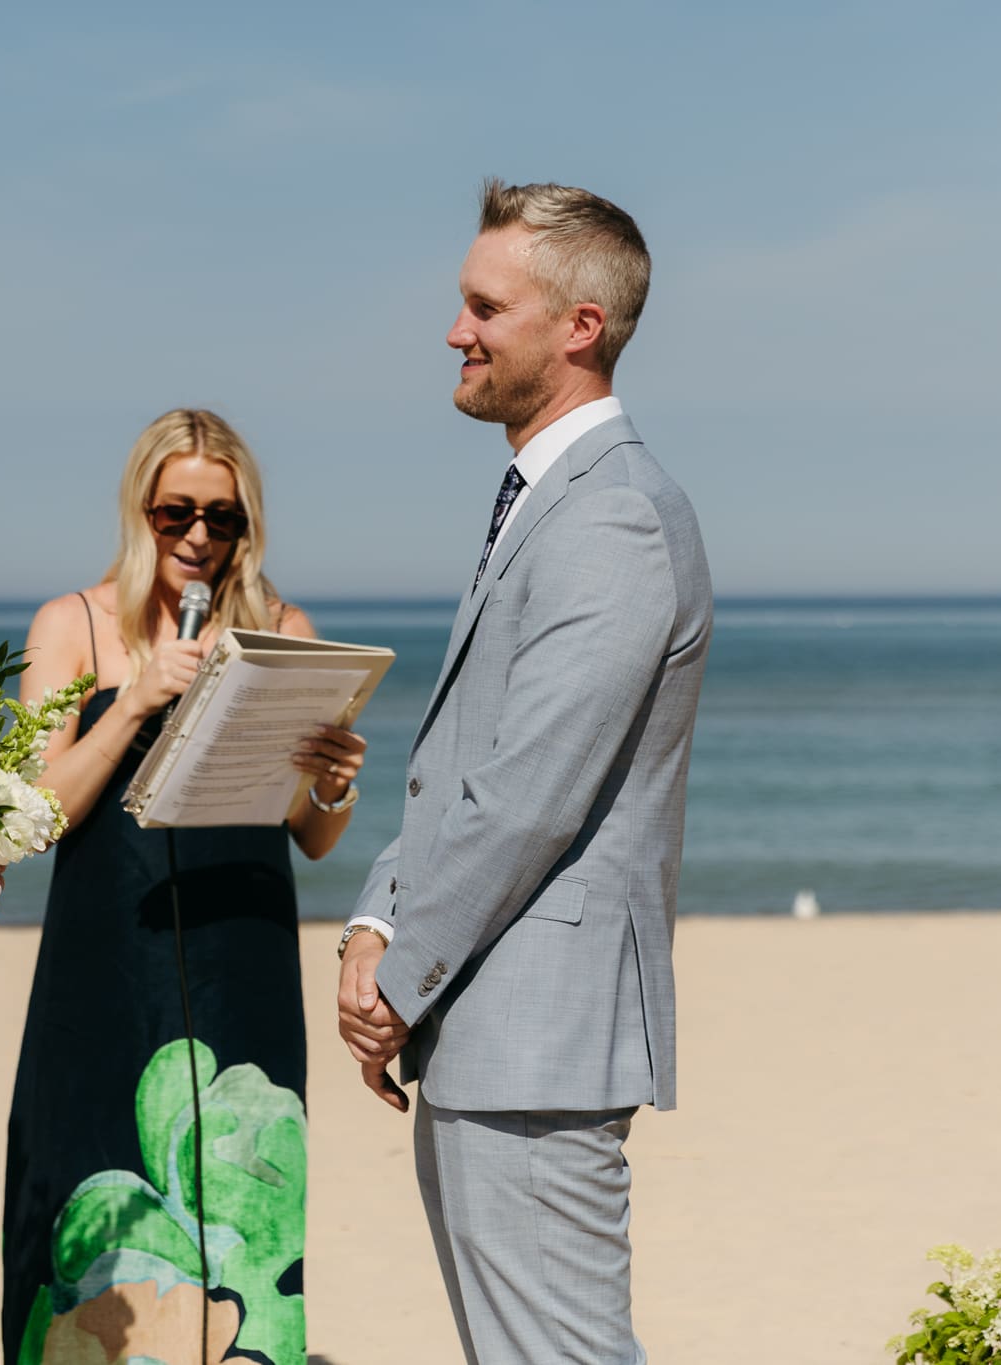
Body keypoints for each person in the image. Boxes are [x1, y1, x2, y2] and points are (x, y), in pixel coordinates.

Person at [335, 180, 713, 1364]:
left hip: (535, 1044)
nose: (456, 330)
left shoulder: (612, 519)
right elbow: (468, 760)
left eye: (483, 306)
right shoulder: (544, 500)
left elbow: (532, 792)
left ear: (577, 328)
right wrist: (372, 917)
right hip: (489, 1034)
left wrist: (399, 974)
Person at [1, 409, 368, 1365]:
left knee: (248, 1213)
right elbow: (33, 816)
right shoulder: (70, 624)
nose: (200, 538)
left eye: (224, 518)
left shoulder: (283, 628)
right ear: (142, 512)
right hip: (105, 963)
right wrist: (134, 700)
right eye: (177, 515)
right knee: (88, 1187)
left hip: (242, 959)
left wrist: (330, 780)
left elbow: (316, 836)